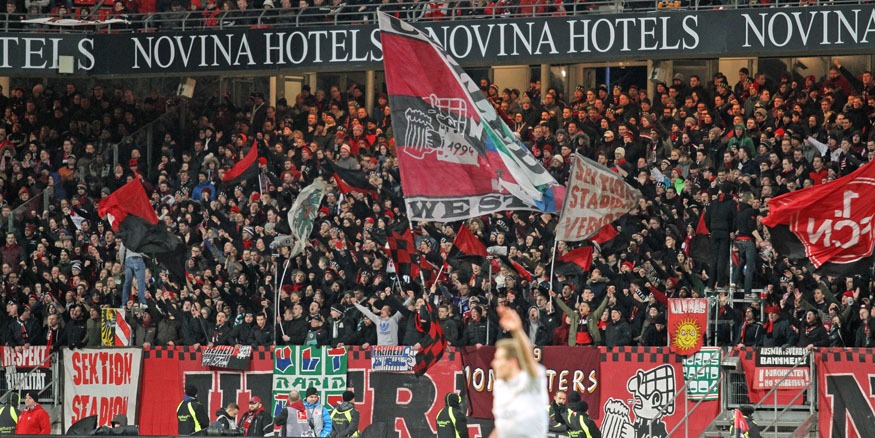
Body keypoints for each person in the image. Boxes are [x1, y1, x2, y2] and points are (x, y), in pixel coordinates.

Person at [490, 305, 548, 438]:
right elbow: (502, 427)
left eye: (499, 359)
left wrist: (518, 331)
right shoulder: (500, 387)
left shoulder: (530, 381)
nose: (493, 363)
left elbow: (528, 361)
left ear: (512, 362)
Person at [120, 240, 148, 307]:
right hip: (137, 258)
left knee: (127, 282)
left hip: (127, 260)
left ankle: (124, 303)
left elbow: (121, 249)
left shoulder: (126, 235)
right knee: (140, 282)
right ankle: (142, 302)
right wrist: (146, 255)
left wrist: (121, 263)